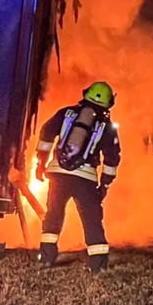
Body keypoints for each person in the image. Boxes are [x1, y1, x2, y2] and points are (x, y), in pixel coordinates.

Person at [34, 81, 121, 274]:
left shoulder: (66, 113)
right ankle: (98, 264)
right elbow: (112, 158)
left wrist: (41, 163)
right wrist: (105, 185)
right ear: (108, 103)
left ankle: (46, 258)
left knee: (54, 214)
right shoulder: (107, 126)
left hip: (59, 173)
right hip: (86, 179)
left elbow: (46, 133)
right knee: (91, 219)